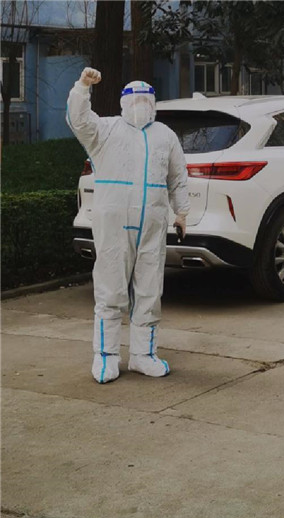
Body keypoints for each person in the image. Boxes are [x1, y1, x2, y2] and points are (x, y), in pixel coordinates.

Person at [67, 67, 190, 383]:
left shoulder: (165, 136)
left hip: (152, 225)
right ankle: (106, 355)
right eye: (134, 100)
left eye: (145, 100)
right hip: (114, 225)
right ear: (123, 103)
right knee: (110, 288)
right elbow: (79, 120)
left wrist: (181, 212)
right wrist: (82, 88)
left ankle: (143, 354)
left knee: (149, 289)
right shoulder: (105, 130)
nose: (140, 105)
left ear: (153, 104)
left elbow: (177, 176)